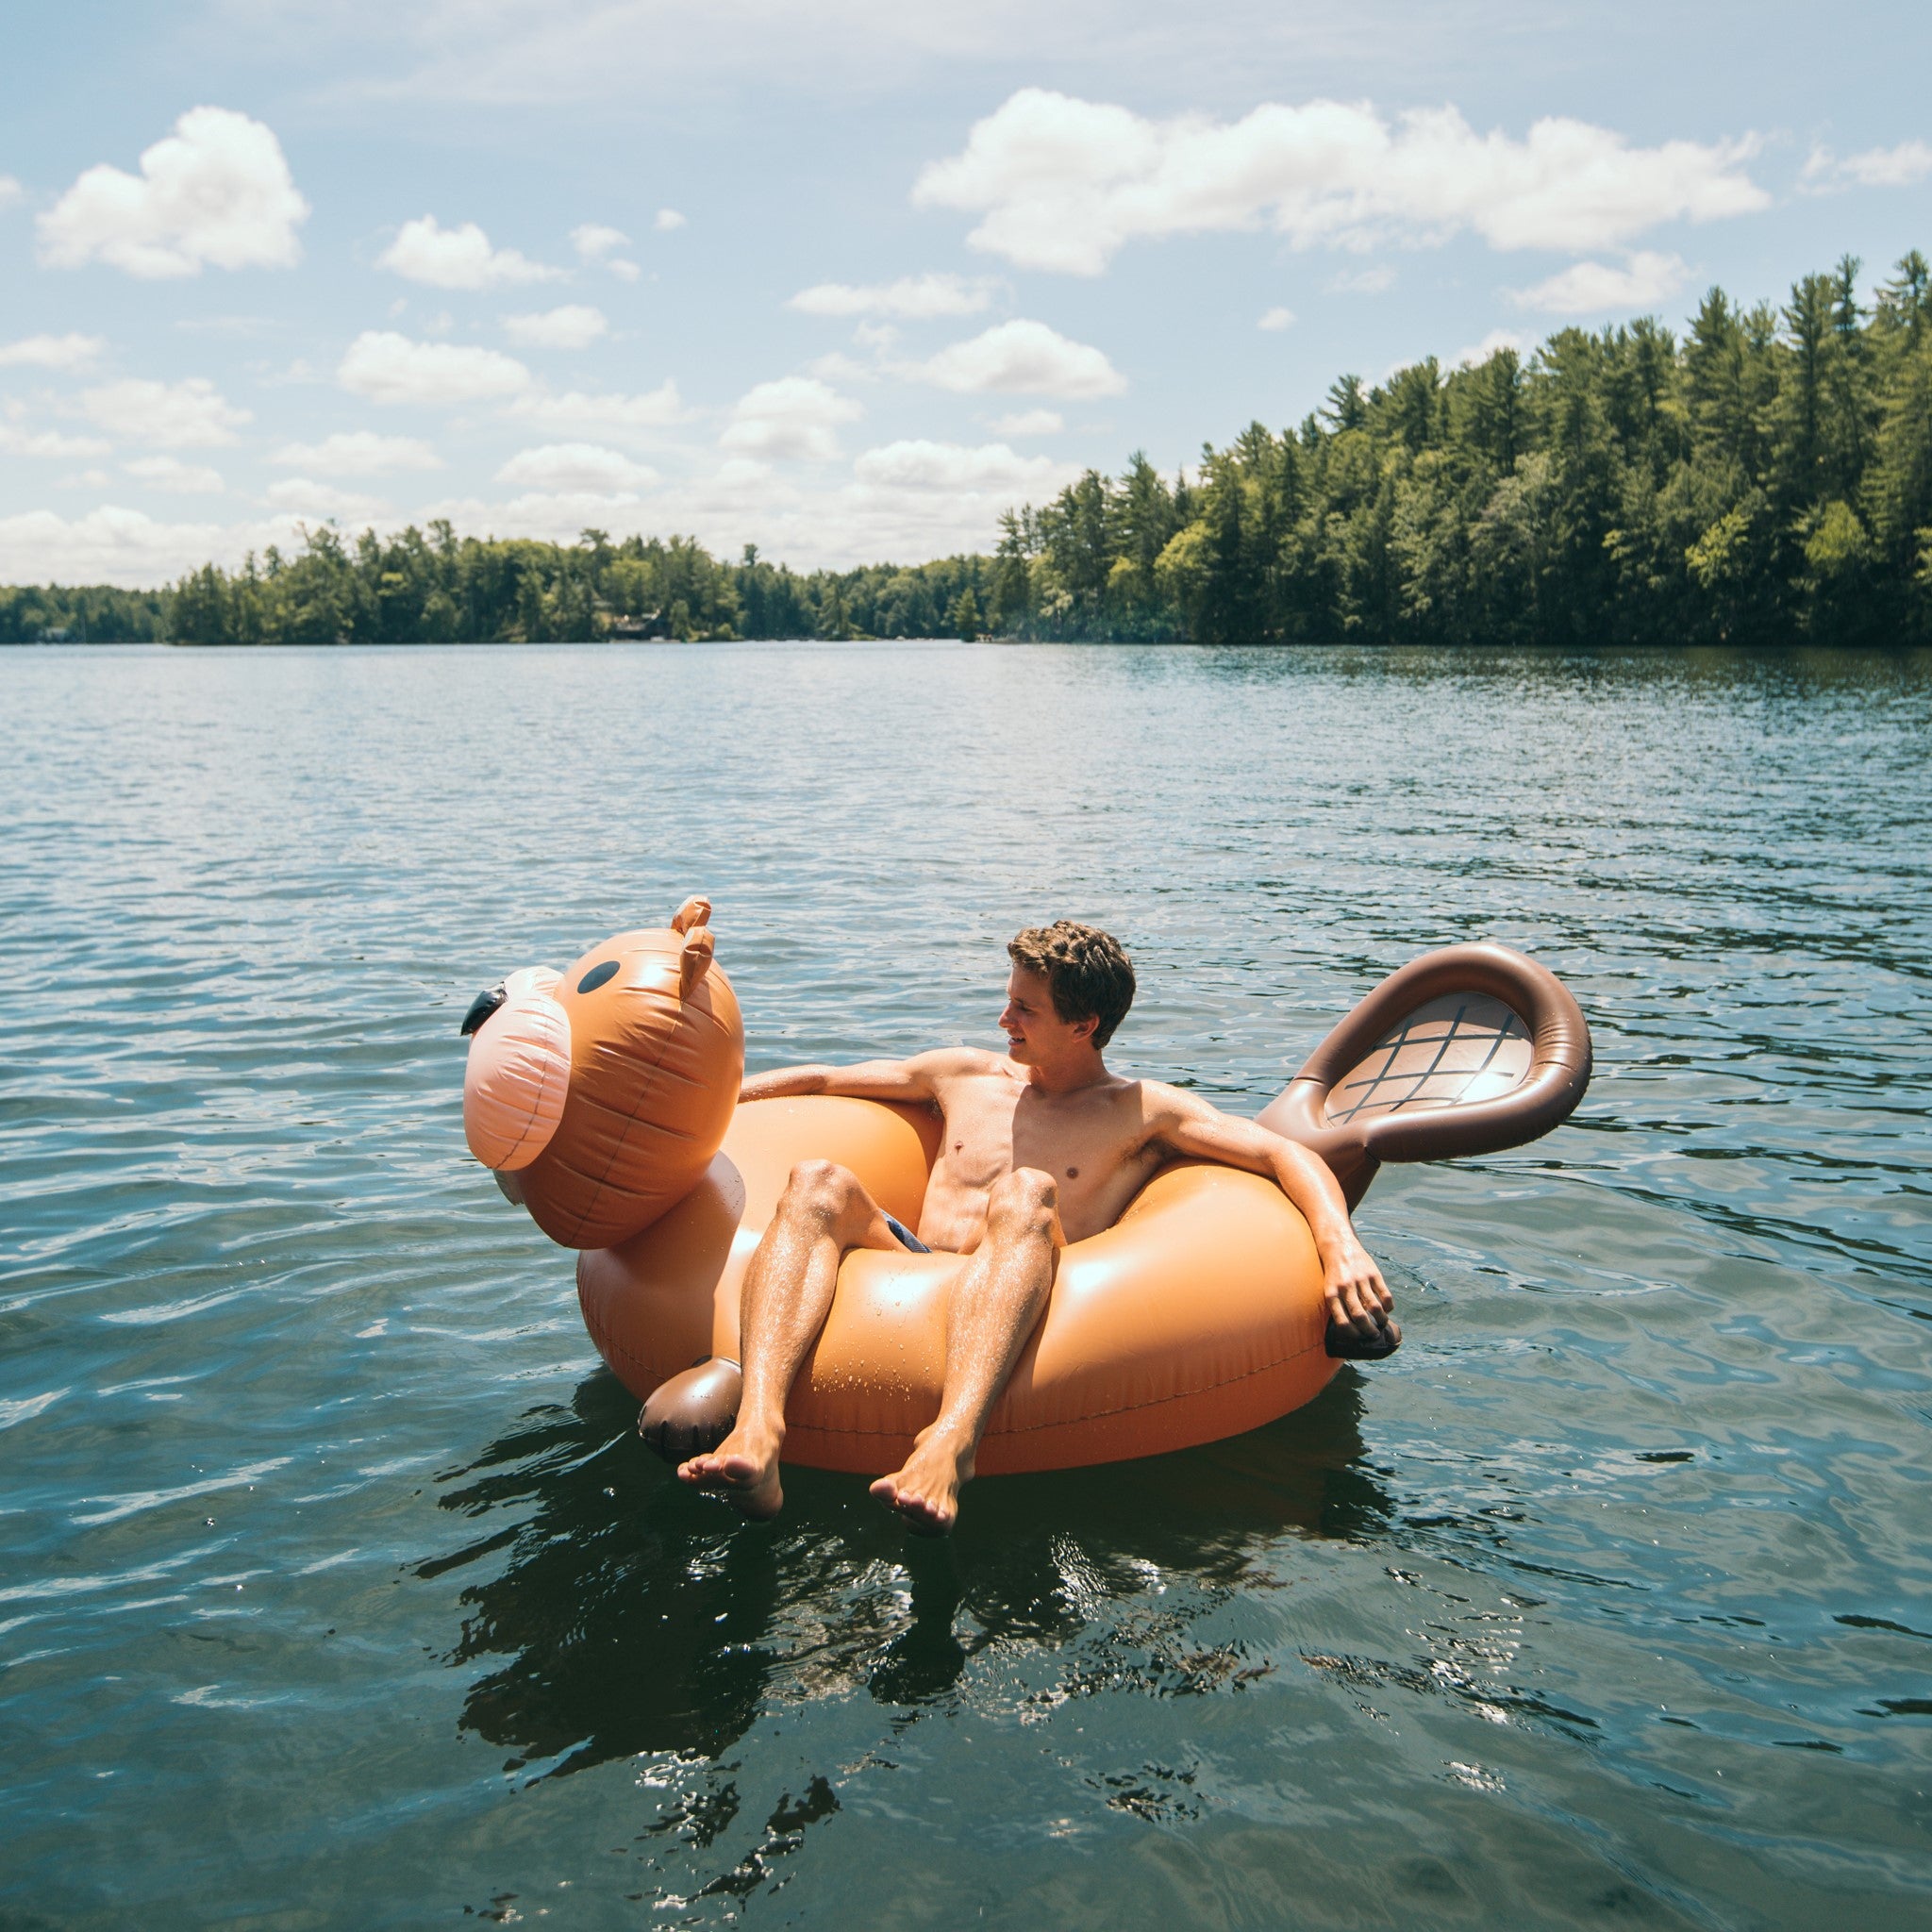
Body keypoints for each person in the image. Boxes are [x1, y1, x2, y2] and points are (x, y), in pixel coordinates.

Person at [670, 921, 1398, 1535]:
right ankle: (759, 1435)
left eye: (1025, 1009)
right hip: (908, 1262)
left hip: (1025, 1282)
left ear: (1084, 1027)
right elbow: (824, 1081)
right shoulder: (964, 1075)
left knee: (1025, 1193)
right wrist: (708, 1102)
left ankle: (951, 1447)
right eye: (1008, 999)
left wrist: (1341, 1249)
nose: (1003, 1020)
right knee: (817, 1179)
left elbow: (1282, 1153)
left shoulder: (1142, 1114)